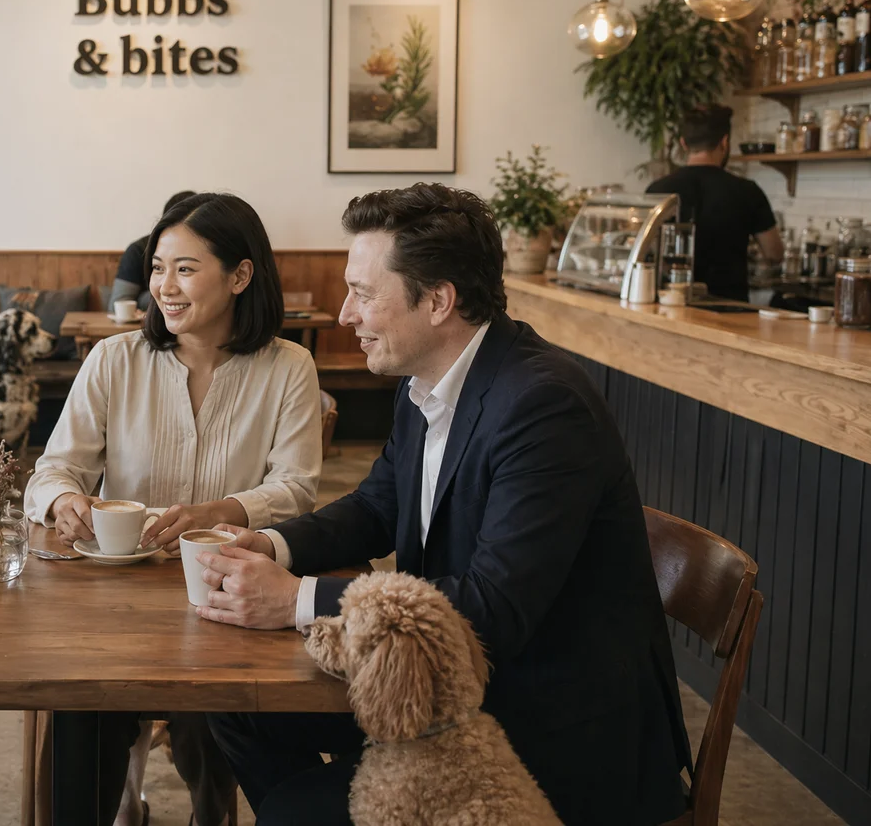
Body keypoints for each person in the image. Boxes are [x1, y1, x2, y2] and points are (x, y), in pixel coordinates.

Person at [196, 184, 691, 826]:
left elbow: (495, 608)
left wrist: (294, 599)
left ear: (438, 301)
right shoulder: (425, 379)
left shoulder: (543, 406)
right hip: (451, 688)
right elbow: (376, 507)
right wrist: (270, 544)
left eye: (364, 294)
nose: (345, 315)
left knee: (296, 811)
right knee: (238, 709)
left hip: (553, 730)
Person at [25, 193, 323, 826]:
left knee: (209, 716)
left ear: (240, 276)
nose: (164, 286)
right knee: (81, 713)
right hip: (114, 599)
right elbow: (52, 470)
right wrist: (65, 499)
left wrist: (222, 509)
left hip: (226, 596)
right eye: (158, 268)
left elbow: (297, 489)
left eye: (185, 269)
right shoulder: (114, 359)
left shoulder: (289, 366)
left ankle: (211, 815)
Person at [646, 104, 783, 301]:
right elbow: (774, 253)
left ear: (683, 143)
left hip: (671, 302)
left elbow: (646, 251)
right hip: (729, 306)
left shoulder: (657, 191)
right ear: (724, 142)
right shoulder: (748, 191)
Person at [109, 190, 197, 311]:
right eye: (158, 268)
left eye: (184, 269)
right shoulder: (138, 250)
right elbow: (118, 305)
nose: (166, 289)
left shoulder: (207, 248)